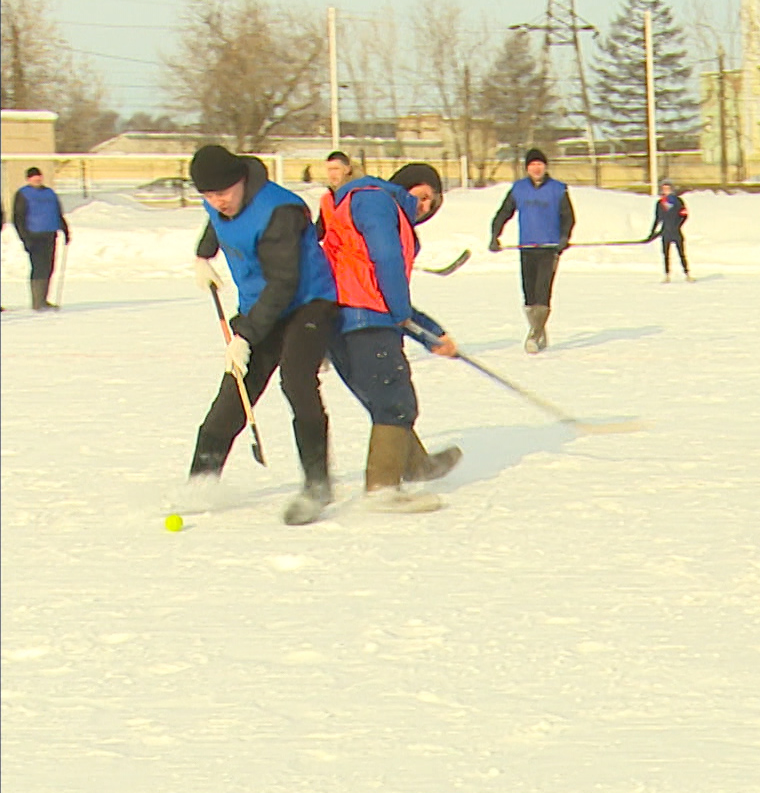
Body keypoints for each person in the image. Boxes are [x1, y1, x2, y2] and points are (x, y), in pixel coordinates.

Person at [185, 145, 340, 525]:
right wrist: (203, 256)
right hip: (261, 306)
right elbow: (215, 224)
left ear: (241, 181)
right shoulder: (217, 202)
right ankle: (199, 483)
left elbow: (284, 282)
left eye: (223, 192)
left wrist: (245, 335)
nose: (217, 202)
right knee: (234, 390)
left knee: (297, 382)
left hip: (308, 302)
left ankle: (317, 485)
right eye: (208, 195)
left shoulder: (279, 211)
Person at [319, 163, 462, 515]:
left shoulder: (370, 202)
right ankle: (382, 490)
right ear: (403, 188)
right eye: (422, 195)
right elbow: (385, 262)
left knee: (384, 399)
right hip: (362, 319)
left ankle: (417, 465)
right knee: (395, 401)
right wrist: (403, 316)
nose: (426, 206)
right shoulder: (377, 200)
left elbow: (376, 280)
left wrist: (431, 333)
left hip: (350, 318)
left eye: (433, 200)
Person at [489, 148, 575, 353]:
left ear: (545, 167)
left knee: (542, 291)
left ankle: (534, 335)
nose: (536, 168)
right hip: (526, 247)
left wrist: (564, 238)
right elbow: (503, 213)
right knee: (528, 293)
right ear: (527, 168)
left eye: (540, 164)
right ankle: (538, 329)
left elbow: (568, 217)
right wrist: (494, 236)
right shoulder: (518, 189)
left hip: (549, 248)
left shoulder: (558, 189)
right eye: (532, 165)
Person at [11, 167, 70, 311]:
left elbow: (58, 212)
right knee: (38, 267)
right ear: (28, 179)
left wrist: (65, 230)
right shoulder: (23, 194)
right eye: (33, 177)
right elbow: (18, 217)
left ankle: (44, 299)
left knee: (49, 267)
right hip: (33, 235)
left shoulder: (49, 193)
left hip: (50, 234)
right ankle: (37, 302)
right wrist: (24, 238)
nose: (36, 179)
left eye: (38, 176)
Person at [644, 181, 692, 282]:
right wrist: (652, 232)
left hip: (676, 232)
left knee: (681, 253)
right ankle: (667, 275)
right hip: (665, 233)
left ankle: (687, 273)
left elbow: (684, 215)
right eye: (664, 188)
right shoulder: (660, 203)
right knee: (666, 254)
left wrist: (677, 225)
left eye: (668, 188)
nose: (666, 190)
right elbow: (657, 219)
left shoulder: (678, 201)